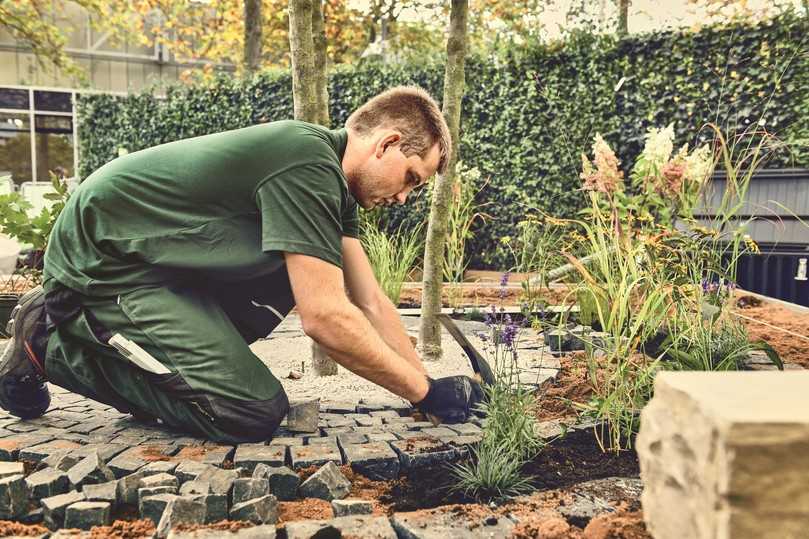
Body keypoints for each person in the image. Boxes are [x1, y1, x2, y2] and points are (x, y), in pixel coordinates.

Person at [0, 86, 483, 443]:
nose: (403, 197)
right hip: (104, 266)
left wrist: (428, 387)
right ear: (387, 143)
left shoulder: (329, 179)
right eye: (411, 179)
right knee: (247, 411)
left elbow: (371, 300)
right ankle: (47, 341)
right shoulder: (307, 164)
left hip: (158, 269)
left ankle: (136, 357)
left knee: (285, 275)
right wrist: (422, 391)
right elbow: (326, 318)